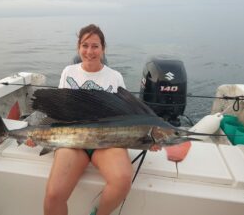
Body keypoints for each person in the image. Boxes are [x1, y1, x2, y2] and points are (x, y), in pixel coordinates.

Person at [43, 24, 160, 215]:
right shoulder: (68, 72)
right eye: (85, 45)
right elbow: (60, 112)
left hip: (107, 143)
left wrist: (149, 139)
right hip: (73, 141)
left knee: (122, 180)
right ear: (78, 47)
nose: (90, 51)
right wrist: (40, 135)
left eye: (95, 46)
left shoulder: (114, 77)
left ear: (103, 49)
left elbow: (128, 118)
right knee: (54, 195)